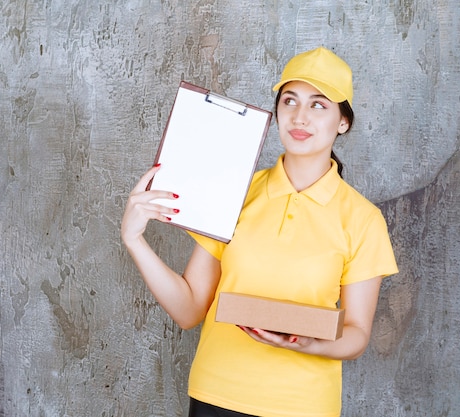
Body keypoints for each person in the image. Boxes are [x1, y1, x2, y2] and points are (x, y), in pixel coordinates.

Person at [121, 46, 399, 417]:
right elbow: (189, 310)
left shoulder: (363, 219)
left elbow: (356, 334)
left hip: (304, 405)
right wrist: (134, 240)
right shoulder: (235, 192)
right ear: (277, 111)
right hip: (216, 396)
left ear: (343, 121)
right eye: (290, 101)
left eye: (319, 105)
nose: (300, 117)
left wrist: (304, 345)